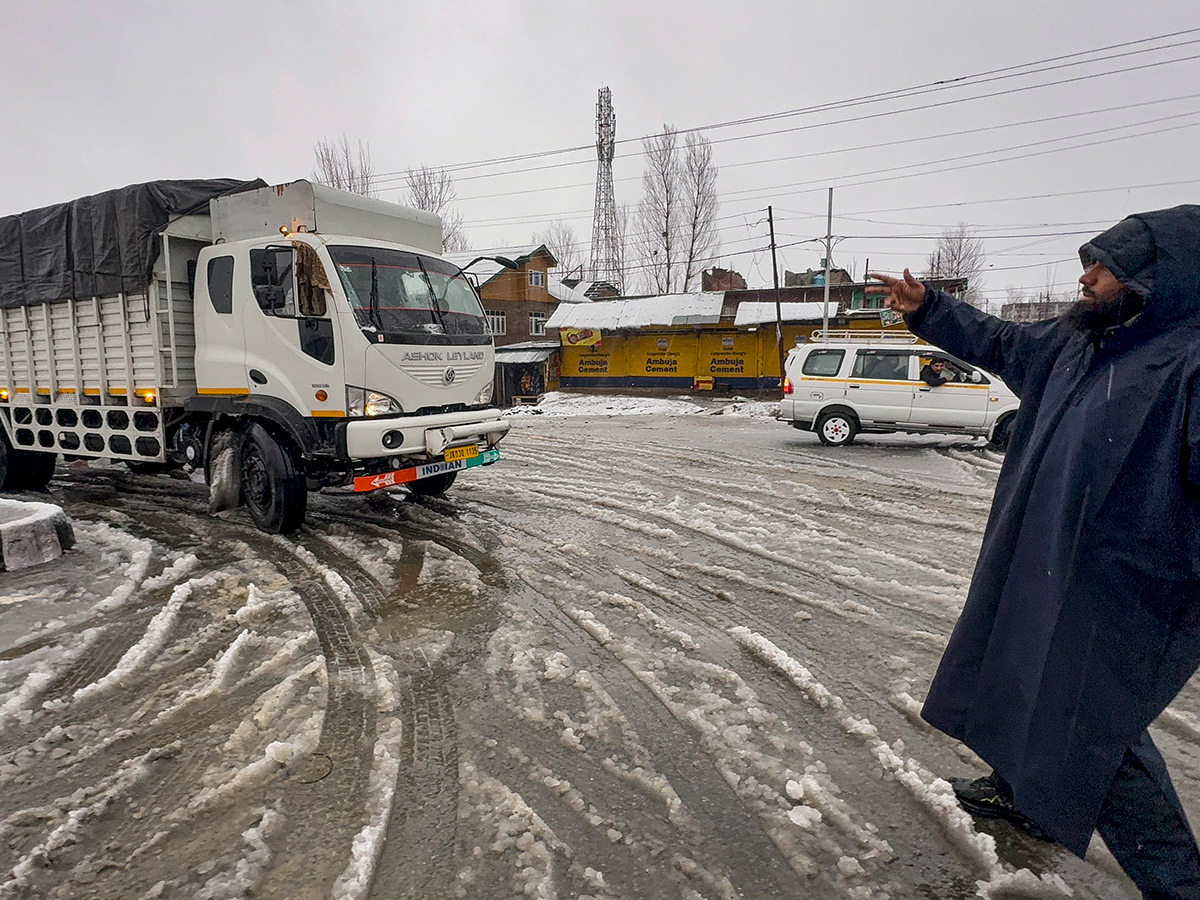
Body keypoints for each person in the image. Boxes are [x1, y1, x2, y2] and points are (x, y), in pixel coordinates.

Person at [868, 204, 1200, 900]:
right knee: (1015, 672)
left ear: (1159, 277)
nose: (1087, 276)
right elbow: (1001, 342)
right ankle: (1022, 795)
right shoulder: (1079, 340)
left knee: (1093, 731)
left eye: (1105, 266)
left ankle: (1180, 886)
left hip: (1126, 591)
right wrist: (930, 308)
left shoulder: (1188, 363)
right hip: (1041, 557)